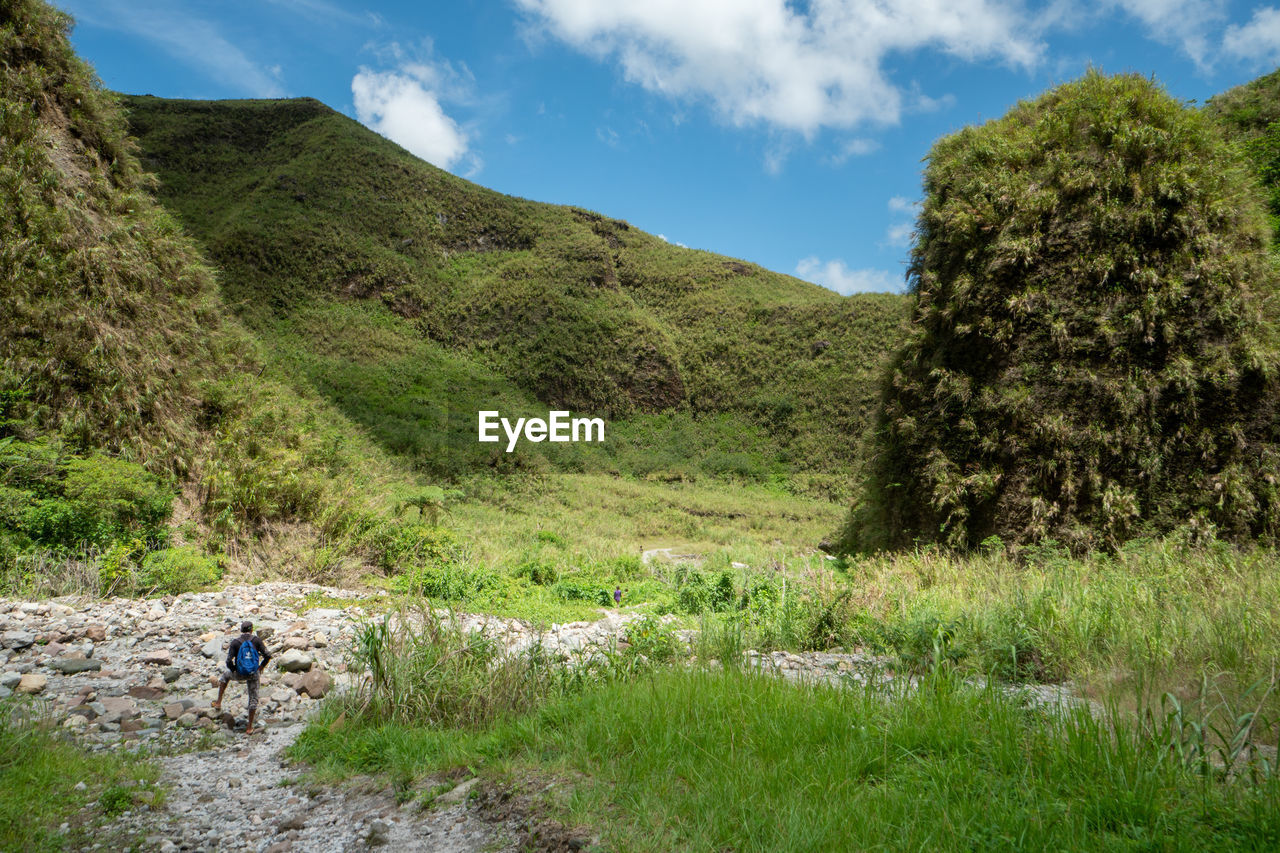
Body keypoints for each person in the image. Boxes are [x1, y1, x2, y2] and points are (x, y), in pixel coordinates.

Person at [212, 620, 273, 735]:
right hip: (253, 674)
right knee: (253, 698)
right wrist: (261, 667)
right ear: (251, 629)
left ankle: (219, 702)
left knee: (225, 676)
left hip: (239, 673)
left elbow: (228, 661)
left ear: (241, 630)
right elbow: (268, 655)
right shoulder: (257, 640)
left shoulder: (235, 642)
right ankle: (249, 727)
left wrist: (235, 669)